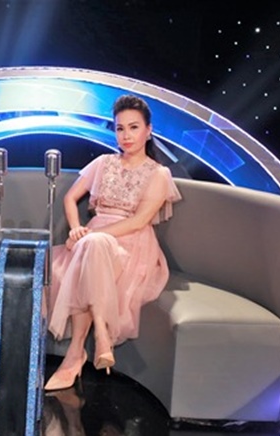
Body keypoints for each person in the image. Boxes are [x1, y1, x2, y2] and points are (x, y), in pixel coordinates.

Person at [44, 94, 181, 391]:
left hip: (131, 243)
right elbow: (70, 198)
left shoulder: (159, 173)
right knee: (89, 251)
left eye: (134, 127)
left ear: (148, 130)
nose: (126, 136)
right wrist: (77, 229)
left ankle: (76, 353)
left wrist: (93, 236)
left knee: (91, 249)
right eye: (120, 128)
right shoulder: (103, 162)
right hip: (92, 239)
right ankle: (100, 338)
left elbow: (139, 221)